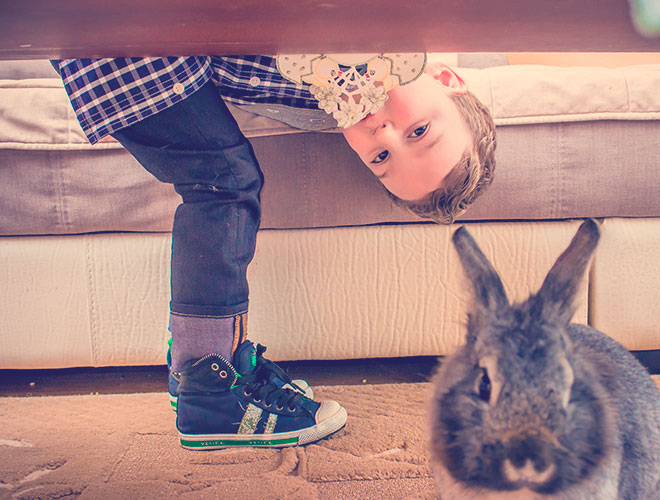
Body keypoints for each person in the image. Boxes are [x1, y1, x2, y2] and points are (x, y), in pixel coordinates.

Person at [52, 54, 496, 450]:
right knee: (224, 181)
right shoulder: (379, 47)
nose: (385, 132)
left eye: (380, 157)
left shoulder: (326, 105)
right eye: (419, 131)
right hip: (134, 44)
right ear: (445, 76)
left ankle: (199, 367)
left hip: (148, 57)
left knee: (225, 177)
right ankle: (206, 389)